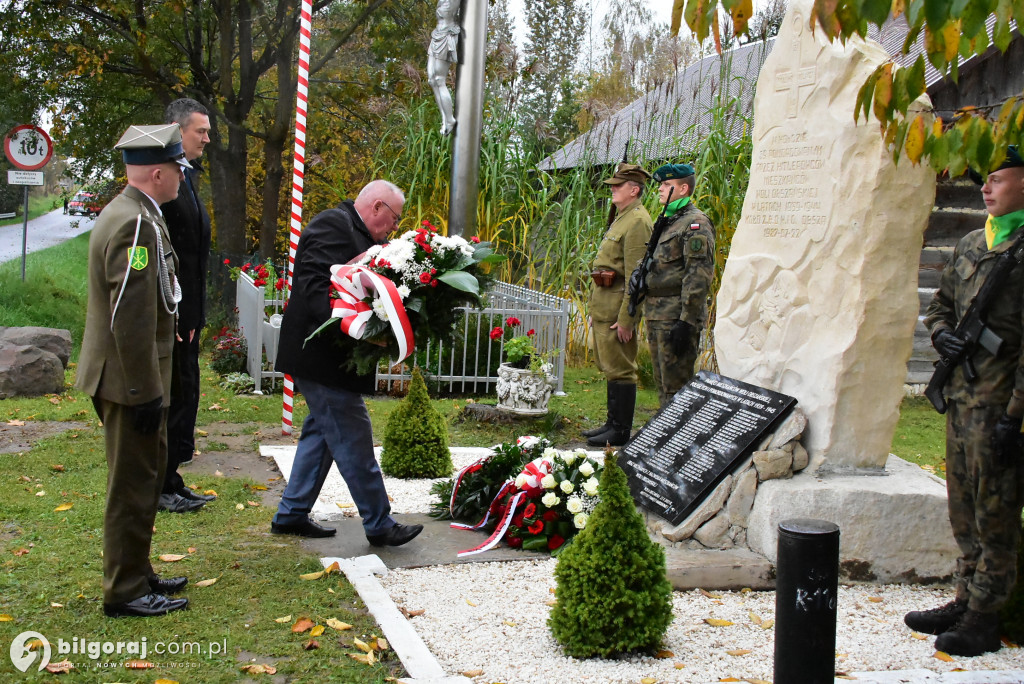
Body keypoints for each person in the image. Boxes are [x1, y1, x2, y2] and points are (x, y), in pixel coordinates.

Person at [906, 147, 1024, 656]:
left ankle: (985, 615)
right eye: (985, 180)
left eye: (997, 179)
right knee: (964, 509)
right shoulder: (975, 242)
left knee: (996, 512)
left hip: (1001, 405)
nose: (986, 187)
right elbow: (940, 305)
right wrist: (943, 337)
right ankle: (964, 598)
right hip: (962, 396)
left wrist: (1014, 417)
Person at [76, 124, 192, 618]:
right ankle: (124, 590)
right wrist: (146, 390)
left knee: (143, 477)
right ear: (159, 172)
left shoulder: (136, 213)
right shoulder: (137, 224)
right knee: (132, 484)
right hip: (129, 380)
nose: (183, 179)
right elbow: (131, 314)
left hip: (130, 377)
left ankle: (138, 571)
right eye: (180, 170)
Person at [270, 180, 423, 547]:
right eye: (394, 219)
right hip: (319, 355)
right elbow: (311, 288)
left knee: (322, 436)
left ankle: (291, 513)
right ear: (377, 207)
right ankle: (379, 522)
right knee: (353, 436)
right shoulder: (333, 225)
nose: (393, 228)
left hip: (330, 358)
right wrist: (360, 328)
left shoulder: (359, 233)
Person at [158, 98, 216, 514]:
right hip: (173, 312)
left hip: (188, 312)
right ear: (179, 131)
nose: (208, 138)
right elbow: (168, 255)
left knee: (188, 394)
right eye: (201, 131)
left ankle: (172, 476)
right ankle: (161, 483)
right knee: (176, 395)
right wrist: (178, 313)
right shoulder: (163, 184)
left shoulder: (186, 178)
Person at [582, 163, 653, 447]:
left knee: (622, 368)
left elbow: (638, 274)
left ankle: (621, 430)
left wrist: (627, 318)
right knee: (612, 367)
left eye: (618, 185)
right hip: (605, 304)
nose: (612, 188)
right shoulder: (623, 217)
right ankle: (612, 423)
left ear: (634, 190)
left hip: (617, 310)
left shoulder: (638, 221)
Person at [635, 162, 715, 408]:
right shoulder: (669, 221)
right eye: (660, 184)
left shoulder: (695, 224)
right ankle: (664, 438)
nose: (660, 189)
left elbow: (698, 275)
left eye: (666, 185)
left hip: (675, 317)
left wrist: (687, 321)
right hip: (657, 313)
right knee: (663, 385)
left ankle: (681, 442)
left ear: (682, 189)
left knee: (676, 390)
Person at [427, 0, 460, 136]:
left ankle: (450, 119)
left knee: (439, 79)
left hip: (447, 34)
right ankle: (444, 118)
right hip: (437, 34)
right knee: (431, 80)